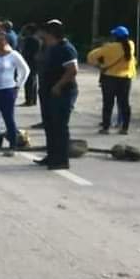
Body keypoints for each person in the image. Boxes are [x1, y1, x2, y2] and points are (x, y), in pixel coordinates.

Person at [35, 20, 79, 170]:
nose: (40, 34)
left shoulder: (65, 48)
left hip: (62, 92)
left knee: (59, 126)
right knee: (50, 126)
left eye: (43, 31)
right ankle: (52, 156)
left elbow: (72, 70)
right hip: (47, 91)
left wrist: (58, 86)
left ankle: (61, 160)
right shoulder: (48, 48)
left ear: (50, 33)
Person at [87, 25, 137, 135]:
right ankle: (124, 128)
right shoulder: (131, 45)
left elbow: (90, 56)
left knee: (108, 104)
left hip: (109, 78)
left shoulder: (109, 47)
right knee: (124, 104)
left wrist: (99, 65)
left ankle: (106, 128)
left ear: (115, 37)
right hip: (125, 79)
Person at [19, 24, 41, 106]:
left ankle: (29, 100)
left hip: (29, 62)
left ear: (29, 31)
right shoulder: (37, 39)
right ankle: (33, 100)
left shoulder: (29, 39)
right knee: (34, 82)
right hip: (35, 63)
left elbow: (26, 52)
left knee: (29, 82)